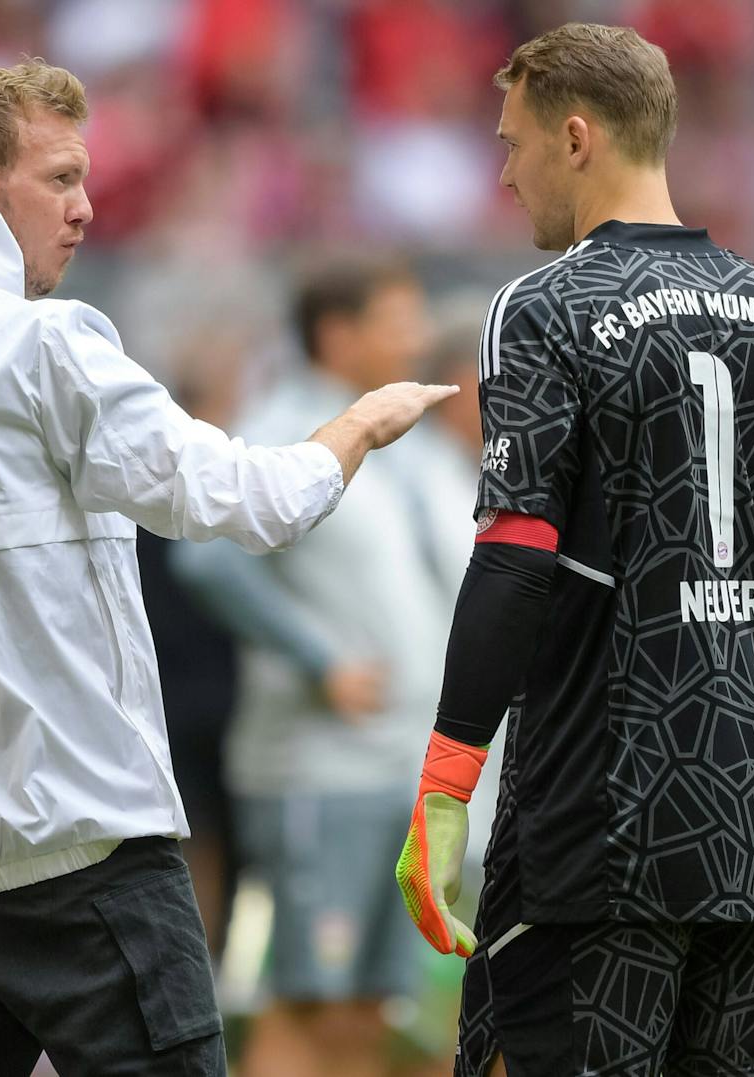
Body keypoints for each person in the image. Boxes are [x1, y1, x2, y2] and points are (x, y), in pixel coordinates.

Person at [0, 60, 456, 1077]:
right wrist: (355, 426)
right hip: (85, 863)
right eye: (62, 178)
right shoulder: (47, 346)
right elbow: (251, 502)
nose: (85, 209)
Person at [393, 24, 754, 1077]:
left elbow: (518, 554)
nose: (503, 168)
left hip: (596, 829)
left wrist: (446, 780)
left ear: (575, 138)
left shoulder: (544, 311)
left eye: (513, 141)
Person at [173, 259, 456, 1077]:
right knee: (306, 1003)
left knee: (369, 1013)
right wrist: (320, 659)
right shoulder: (285, 426)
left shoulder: (409, 442)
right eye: (399, 319)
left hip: (401, 766)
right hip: (317, 770)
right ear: (338, 333)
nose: (417, 337)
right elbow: (209, 561)